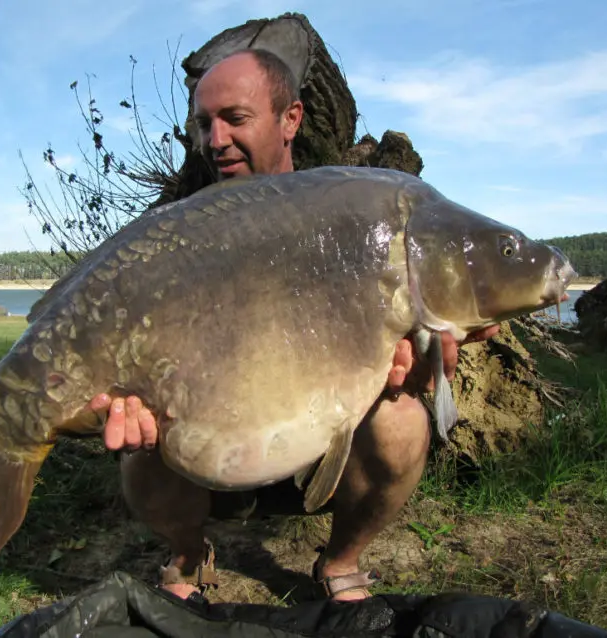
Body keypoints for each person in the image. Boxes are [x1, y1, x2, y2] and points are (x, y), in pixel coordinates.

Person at [87, 48, 499, 602]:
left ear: (291, 119)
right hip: (209, 449)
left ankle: (340, 562)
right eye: (204, 125)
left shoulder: (349, 219)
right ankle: (188, 557)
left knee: (404, 422)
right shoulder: (172, 235)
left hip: (326, 440)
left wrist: (423, 368)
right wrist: (111, 402)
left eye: (234, 119)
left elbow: (422, 362)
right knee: (139, 451)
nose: (215, 140)